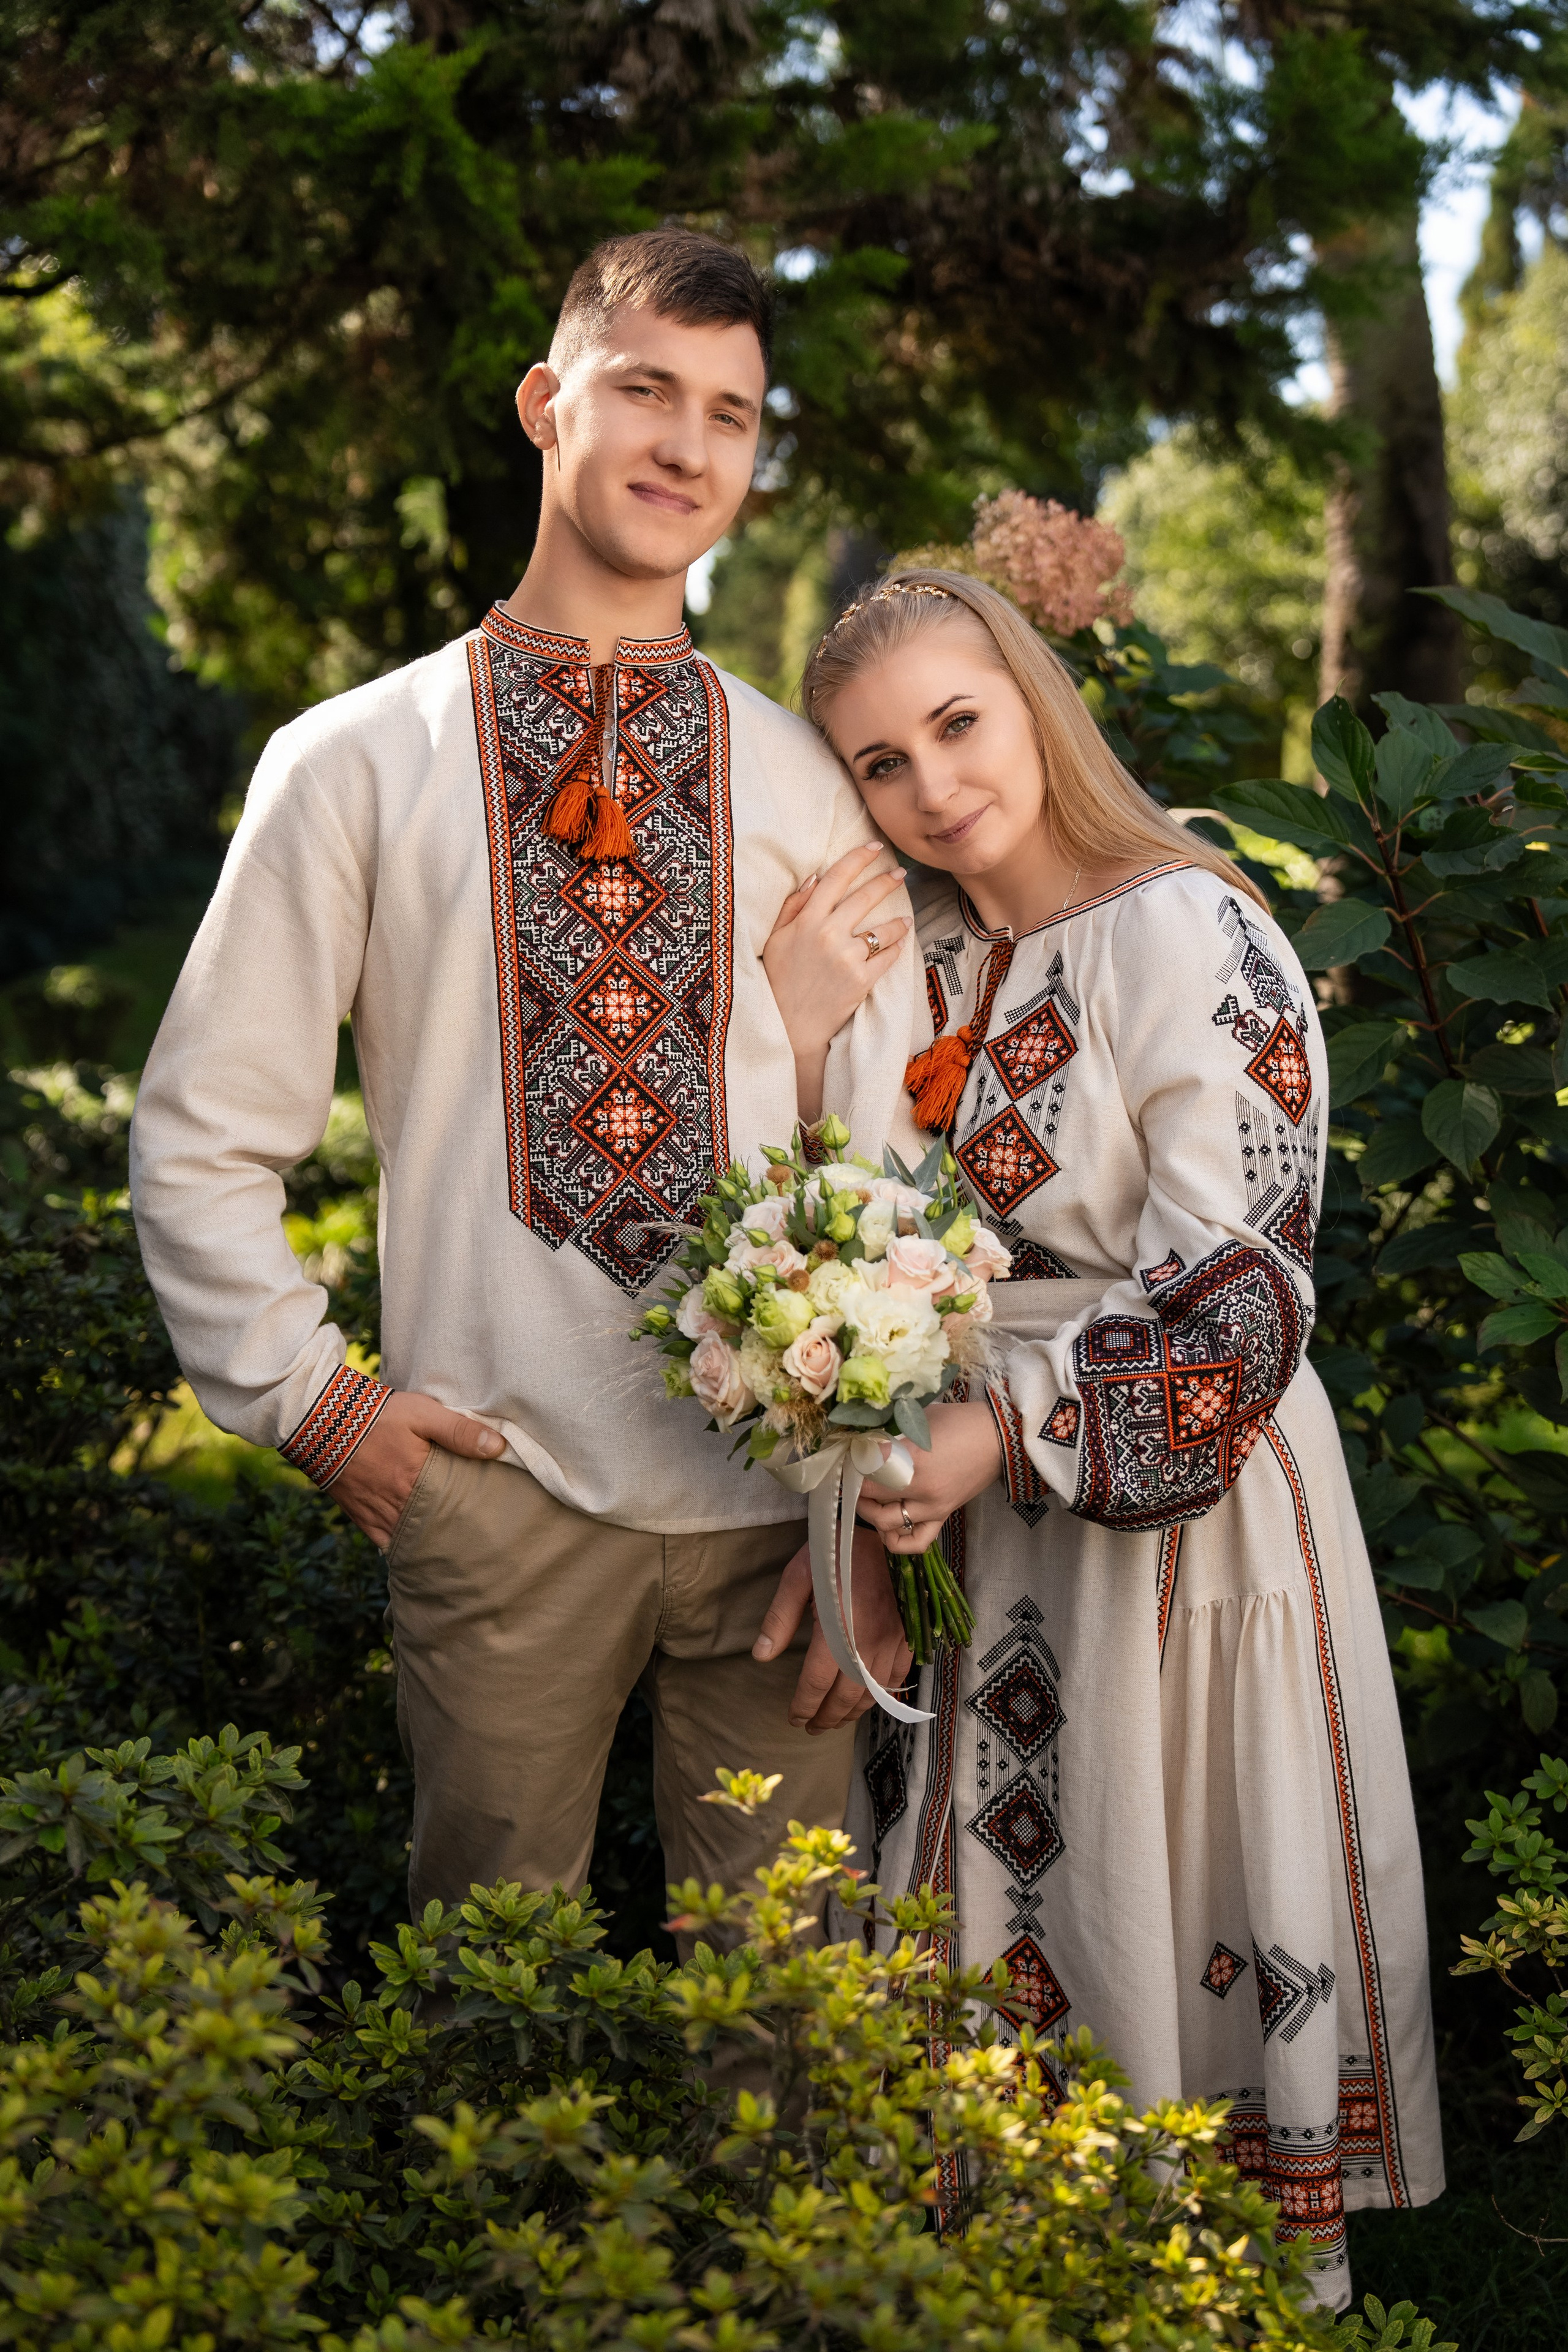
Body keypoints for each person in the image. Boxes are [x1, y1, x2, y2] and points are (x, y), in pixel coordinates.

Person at [128, 229, 918, 1938]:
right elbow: (201, 1133)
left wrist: (871, 1506)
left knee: (797, 2016)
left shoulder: (802, 777)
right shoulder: (353, 761)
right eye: (647, 390)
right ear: (548, 405)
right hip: (496, 1494)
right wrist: (320, 1410)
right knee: (499, 2014)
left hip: (781, 1522)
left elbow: (889, 1166)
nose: (687, 445)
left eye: (732, 412)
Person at [755, 567, 1442, 2308]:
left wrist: (1010, 1429)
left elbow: (1246, 1292)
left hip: (1176, 1503)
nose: (932, 787)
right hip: (978, 1513)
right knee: (1002, 1897)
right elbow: (845, 1233)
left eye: (957, 723)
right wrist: (816, 1027)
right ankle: (1025, 2270)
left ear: (1034, 699)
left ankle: (1218, 2290)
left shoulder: (1193, 930)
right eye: (881, 764)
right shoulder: (930, 958)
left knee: (1165, 1884)